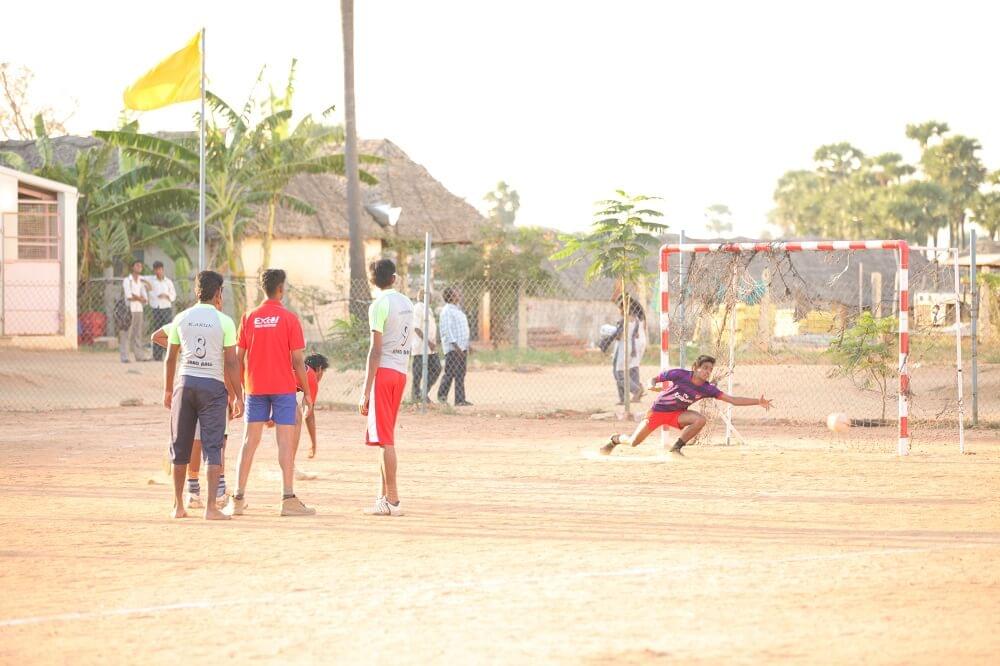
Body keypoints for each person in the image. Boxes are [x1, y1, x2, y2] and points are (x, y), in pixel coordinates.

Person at [227, 269, 315, 517]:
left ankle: (237, 498)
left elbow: (238, 359)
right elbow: (298, 361)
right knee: (284, 443)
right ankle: (287, 499)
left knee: (248, 442)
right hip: (283, 389)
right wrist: (306, 393)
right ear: (281, 289)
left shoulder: (249, 317)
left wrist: (241, 392)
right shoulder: (289, 319)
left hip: (255, 388)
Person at [163, 270, 243, 520]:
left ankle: (178, 506)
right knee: (212, 446)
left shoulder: (181, 318)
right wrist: (239, 396)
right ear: (218, 293)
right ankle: (210, 508)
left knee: (180, 445)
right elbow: (231, 363)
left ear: (197, 291)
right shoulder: (224, 321)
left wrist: (168, 389)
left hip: (184, 385)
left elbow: (170, 358)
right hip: (212, 388)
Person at [600, 354, 774, 457]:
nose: (707, 372)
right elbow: (654, 379)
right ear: (696, 367)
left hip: (677, 415)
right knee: (633, 443)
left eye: (710, 369)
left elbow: (733, 400)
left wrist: (757, 401)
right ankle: (615, 439)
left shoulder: (707, 388)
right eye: (704, 368)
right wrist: (650, 384)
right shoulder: (680, 375)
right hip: (657, 412)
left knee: (700, 420)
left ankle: (676, 448)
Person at [152, 325, 231, 509]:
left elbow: (156, 336)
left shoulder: (185, 321)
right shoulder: (220, 323)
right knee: (217, 442)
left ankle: (193, 492)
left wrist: (181, 347)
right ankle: (218, 493)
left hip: (188, 383)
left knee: (194, 440)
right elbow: (231, 361)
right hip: (214, 385)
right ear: (217, 298)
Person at [360, 259, 413, 516]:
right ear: (394, 278)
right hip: (401, 372)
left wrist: (365, 390)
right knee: (385, 437)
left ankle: (393, 500)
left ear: (372, 281)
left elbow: (376, 350)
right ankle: (383, 498)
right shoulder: (407, 303)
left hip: (384, 373)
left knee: (386, 439)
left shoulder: (378, 305)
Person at [437, 286, 472, 407]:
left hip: (462, 348)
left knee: (460, 374)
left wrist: (466, 345)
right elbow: (447, 330)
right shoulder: (447, 311)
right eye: (456, 293)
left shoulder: (457, 310)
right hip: (453, 348)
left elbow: (463, 329)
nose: (459, 294)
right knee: (450, 372)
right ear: (450, 296)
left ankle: (460, 399)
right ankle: (441, 397)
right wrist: (456, 347)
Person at [611, 295, 647, 405]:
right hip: (640, 343)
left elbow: (621, 335)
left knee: (619, 372)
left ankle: (634, 391)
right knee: (633, 369)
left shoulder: (628, 319)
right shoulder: (639, 316)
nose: (618, 310)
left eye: (620, 307)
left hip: (629, 345)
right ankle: (635, 393)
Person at [410, 288, 441, 402]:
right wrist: (428, 342)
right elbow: (417, 328)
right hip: (420, 347)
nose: (432, 298)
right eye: (430, 296)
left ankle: (423, 393)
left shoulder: (428, 309)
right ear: (425, 296)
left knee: (436, 368)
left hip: (430, 347)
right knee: (418, 373)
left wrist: (433, 342)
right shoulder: (418, 307)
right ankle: (415, 396)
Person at [120, 259, 150, 363]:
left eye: (140, 266)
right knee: (127, 333)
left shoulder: (141, 282)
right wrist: (140, 298)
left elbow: (145, 298)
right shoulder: (127, 280)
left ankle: (139, 356)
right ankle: (125, 356)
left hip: (139, 309)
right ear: (133, 267)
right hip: (129, 309)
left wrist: (138, 298)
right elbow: (129, 296)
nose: (139, 268)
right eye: (137, 266)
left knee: (137, 333)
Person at [147, 261, 177, 361]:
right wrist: (156, 296)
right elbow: (150, 292)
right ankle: (157, 356)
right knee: (157, 331)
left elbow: (173, 295)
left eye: (160, 269)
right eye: (156, 269)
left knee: (168, 332)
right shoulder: (152, 281)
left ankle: (167, 354)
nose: (158, 271)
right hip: (156, 308)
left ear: (163, 270)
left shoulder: (168, 282)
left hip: (166, 308)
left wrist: (166, 295)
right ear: (154, 270)